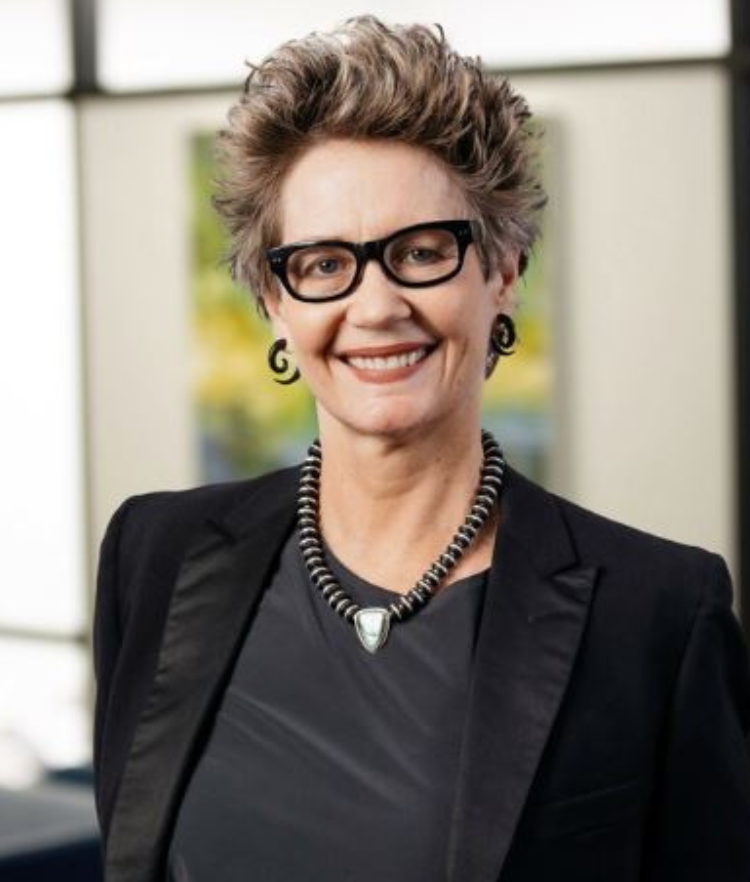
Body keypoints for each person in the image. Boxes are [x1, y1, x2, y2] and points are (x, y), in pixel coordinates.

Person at [92, 15, 750, 882]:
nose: (376, 307)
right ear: (274, 301)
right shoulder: (155, 554)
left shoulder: (657, 612)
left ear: (502, 273)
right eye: (324, 264)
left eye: (422, 251)